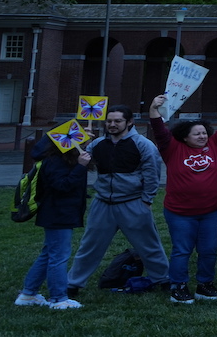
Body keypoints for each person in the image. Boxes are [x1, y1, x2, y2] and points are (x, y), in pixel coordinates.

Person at [148, 91, 217, 304]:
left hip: (210, 211)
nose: (202, 136)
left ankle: (205, 284)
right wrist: (154, 109)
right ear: (184, 137)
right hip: (180, 213)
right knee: (182, 250)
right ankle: (178, 286)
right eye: (196, 134)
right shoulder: (172, 148)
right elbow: (159, 130)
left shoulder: (216, 146)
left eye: (204, 133)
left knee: (209, 250)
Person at [66, 105, 170, 298]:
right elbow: (84, 164)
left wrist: (146, 200)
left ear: (129, 122)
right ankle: (73, 284)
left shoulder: (143, 144)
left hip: (133, 203)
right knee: (89, 246)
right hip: (103, 203)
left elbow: (152, 174)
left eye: (117, 121)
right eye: (109, 121)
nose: (112, 125)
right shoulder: (97, 144)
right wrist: (79, 147)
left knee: (149, 245)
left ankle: (163, 279)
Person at [16, 138, 91, 310]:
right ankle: (58, 298)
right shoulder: (55, 161)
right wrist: (80, 167)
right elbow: (62, 186)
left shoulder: (59, 159)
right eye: (81, 141)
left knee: (49, 254)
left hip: (59, 213)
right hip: (58, 214)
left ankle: (28, 293)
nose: (84, 145)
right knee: (59, 256)